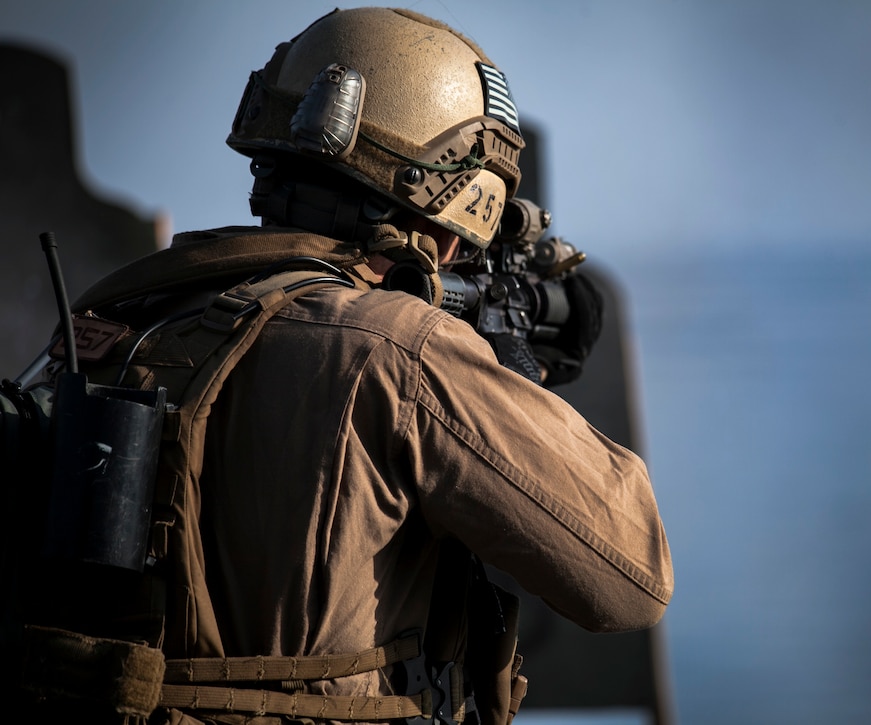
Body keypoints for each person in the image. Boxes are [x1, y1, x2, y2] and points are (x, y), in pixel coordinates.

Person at [17, 7, 672, 725]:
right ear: (450, 202)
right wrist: (506, 386)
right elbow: (632, 576)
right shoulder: (401, 348)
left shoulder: (133, 310)